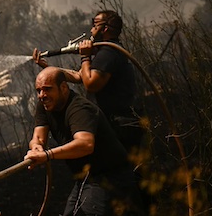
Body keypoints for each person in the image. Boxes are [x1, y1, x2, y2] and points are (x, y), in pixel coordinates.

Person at [25, 67, 142, 216]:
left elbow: (85, 144)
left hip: (110, 176)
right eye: (38, 90)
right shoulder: (46, 104)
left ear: (63, 87)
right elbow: (38, 136)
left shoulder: (79, 108)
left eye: (47, 89)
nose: (42, 95)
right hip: (87, 177)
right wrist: (36, 146)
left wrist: (47, 155)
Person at [33, 10, 144, 156]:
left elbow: (91, 83)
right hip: (114, 123)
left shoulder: (108, 53)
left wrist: (85, 57)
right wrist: (51, 71)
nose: (91, 29)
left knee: (123, 169)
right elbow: (80, 76)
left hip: (119, 125)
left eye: (95, 24)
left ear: (104, 28)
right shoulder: (106, 51)